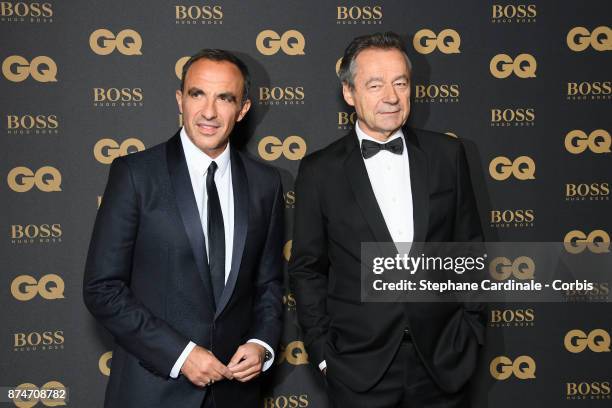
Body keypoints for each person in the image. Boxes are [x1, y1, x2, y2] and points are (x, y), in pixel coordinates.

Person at [289, 32, 485, 408]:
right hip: (358, 369)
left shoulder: (448, 155)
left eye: (400, 83)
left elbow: (470, 251)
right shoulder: (319, 170)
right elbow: (308, 269)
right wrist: (324, 353)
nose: (391, 97)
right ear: (349, 93)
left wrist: (471, 332)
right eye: (375, 84)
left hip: (443, 363)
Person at [83, 49, 284, 408]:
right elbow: (102, 288)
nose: (209, 112)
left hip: (234, 395)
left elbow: (268, 284)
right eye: (197, 94)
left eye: (225, 98)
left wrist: (261, 344)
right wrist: (181, 354)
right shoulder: (135, 174)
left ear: (243, 110)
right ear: (180, 99)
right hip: (151, 391)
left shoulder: (265, 184)